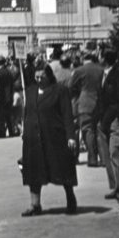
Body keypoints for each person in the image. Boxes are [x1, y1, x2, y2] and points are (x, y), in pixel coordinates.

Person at [20, 64, 78, 216]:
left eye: (42, 77)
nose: (39, 80)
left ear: (49, 76)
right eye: (37, 77)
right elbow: (27, 113)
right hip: (33, 138)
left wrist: (70, 136)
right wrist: (24, 129)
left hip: (55, 137)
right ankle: (35, 205)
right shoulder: (30, 91)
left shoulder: (60, 91)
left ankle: (71, 200)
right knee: (33, 172)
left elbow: (67, 114)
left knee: (62, 170)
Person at [97, 49, 119, 203]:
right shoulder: (104, 75)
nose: (98, 58)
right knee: (108, 154)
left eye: (100, 55)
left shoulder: (118, 76)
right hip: (105, 120)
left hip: (116, 120)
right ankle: (115, 186)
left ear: (105, 59)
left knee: (115, 152)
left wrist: (114, 117)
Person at [70, 52, 104, 166]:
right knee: (99, 130)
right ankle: (104, 159)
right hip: (100, 102)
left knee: (88, 130)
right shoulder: (101, 70)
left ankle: (92, 159)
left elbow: (71, 87)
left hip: (85, 103)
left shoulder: (79, 71)